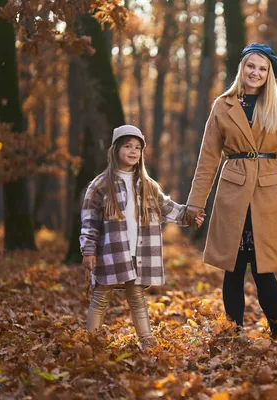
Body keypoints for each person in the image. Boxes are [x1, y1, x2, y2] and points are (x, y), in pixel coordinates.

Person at [183, 43, 277, 339]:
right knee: (232, 269)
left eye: (262, 68)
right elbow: (207, 159)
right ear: (241, 68)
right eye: (251, 66)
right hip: (233, 193)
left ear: (269, 74)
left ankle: (276, 333)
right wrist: (195, 203)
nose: (255, 72)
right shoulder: (223, 105)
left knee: (263, 269)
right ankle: (234, 333)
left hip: (267, 196)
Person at [80, 125, 205, 348]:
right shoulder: (99, 185)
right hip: (112, 252)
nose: (133, 151)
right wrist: (88, 251)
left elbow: (169, 208)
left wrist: (190, 216)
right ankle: (92, 340)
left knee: (137, 297)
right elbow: (89, 222)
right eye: (127, 146)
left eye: (137, 147)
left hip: (139, 253)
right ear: (115, 149)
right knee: (100, 296)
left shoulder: (148, 186)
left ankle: (147, 340)